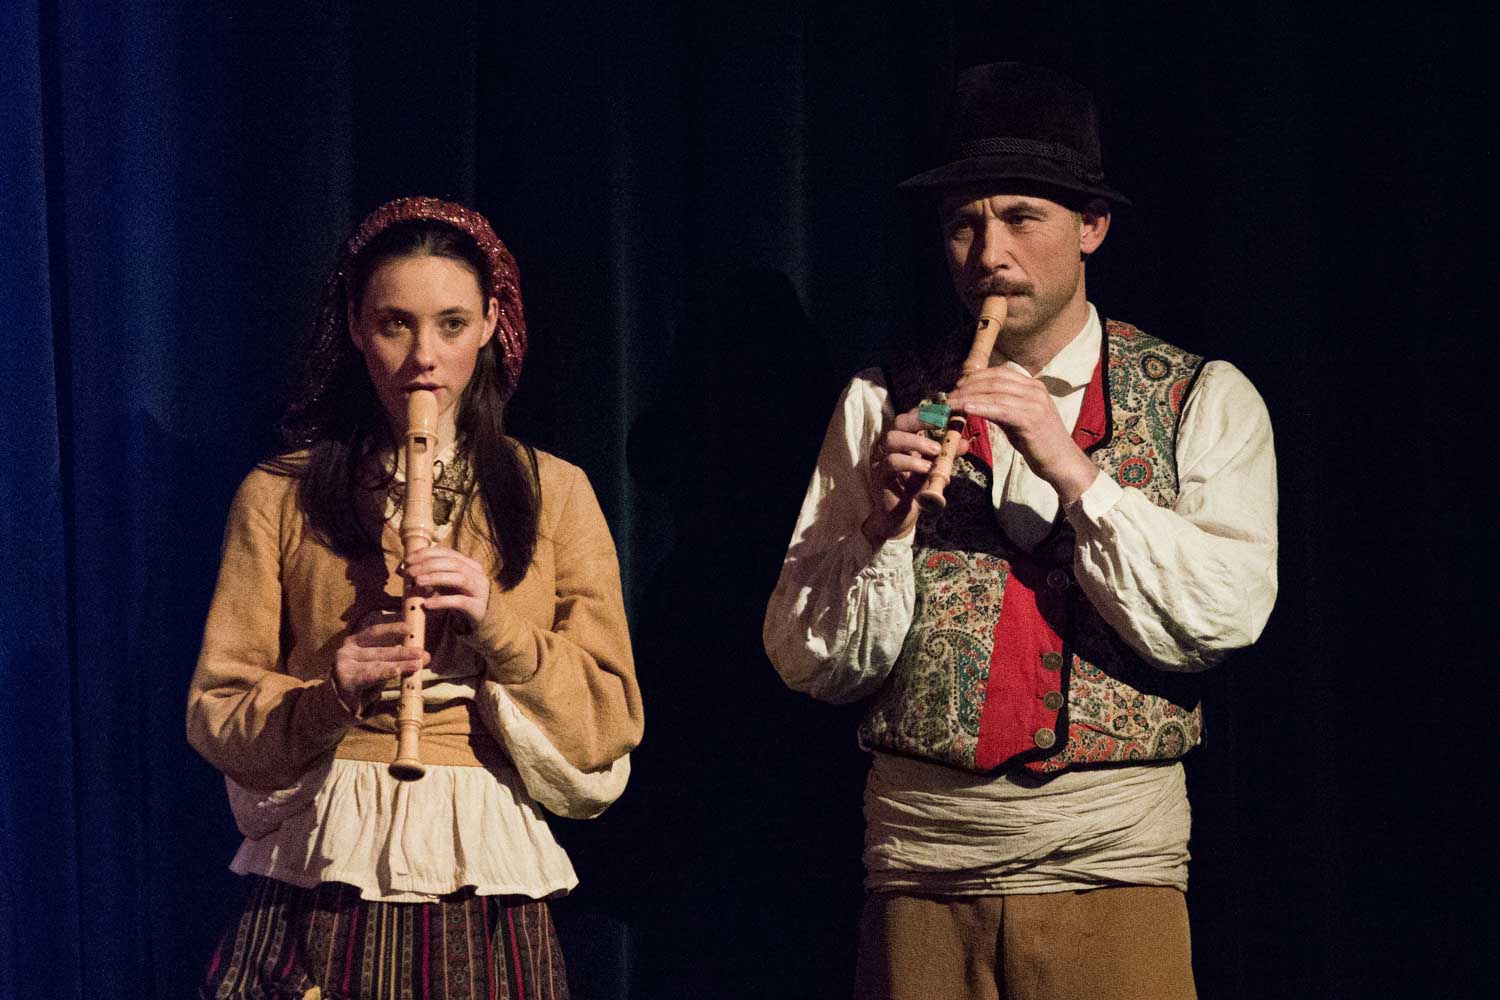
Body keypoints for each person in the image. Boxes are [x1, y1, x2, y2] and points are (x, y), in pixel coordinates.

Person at [763, 63, 1277, 999]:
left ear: (1093, 226)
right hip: (924, 874)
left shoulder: (1206, 396)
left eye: (1021, 218)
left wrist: (1074, 471)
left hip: (1113, 868)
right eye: (964, 223)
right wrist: (881, 529)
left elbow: (1224, 619)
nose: (987, 253)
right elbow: (807, 661)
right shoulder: (883, 398)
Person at [187, 196, 642, 999]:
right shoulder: (279, 493)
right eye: (395, 325)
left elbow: (608, 723)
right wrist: (333, 693)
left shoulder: (557, 492)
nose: (422, 358)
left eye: (452, 325)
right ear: (357, 328)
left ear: (493, 322)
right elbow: (218, 713)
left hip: (485, 879)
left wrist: (499, 627)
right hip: (322, 874)